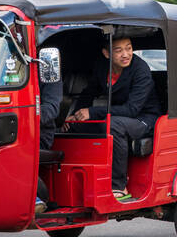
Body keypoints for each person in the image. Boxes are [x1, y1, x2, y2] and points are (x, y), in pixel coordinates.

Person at [69, 32, 161, 202]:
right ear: (107, 54)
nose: (125, 54)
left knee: (113, 125)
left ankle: (119, 186)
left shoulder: (140, 70)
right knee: (75, 127)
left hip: (144, 118)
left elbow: (132, 109)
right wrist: (76, 115)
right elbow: (89, 92)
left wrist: (92, 112)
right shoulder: (101, 67)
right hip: (120, 115)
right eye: (118, 51)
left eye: (129, 48)